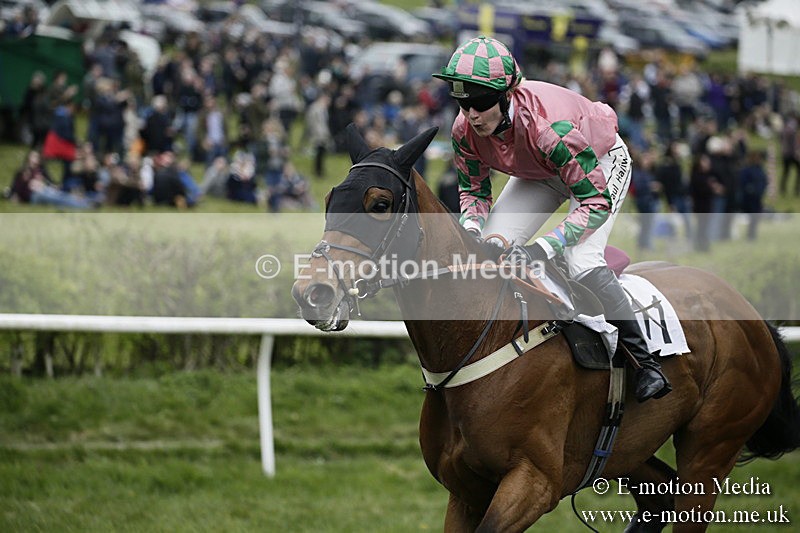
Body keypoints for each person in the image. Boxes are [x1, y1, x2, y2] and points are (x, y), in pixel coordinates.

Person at [432, 36, 671, 402]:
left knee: (581, 260)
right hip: (540, 168)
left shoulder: (548, 127)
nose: (471, 114)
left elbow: (593, 204)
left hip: (597, 162)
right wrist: (470, 231)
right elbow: (475, 192)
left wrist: (543, 248)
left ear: (506, 94)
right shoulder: (464, 130)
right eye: (462, 103)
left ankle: (645, 362)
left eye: (480, 103)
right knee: (491, 246)